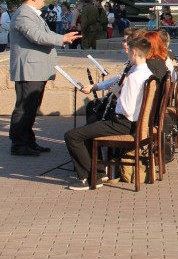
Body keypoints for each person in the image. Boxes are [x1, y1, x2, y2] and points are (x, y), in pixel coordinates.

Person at [64, 36, 153, 190]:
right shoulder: (148, 73)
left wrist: (117, 93)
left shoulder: (133, 77)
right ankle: (97, 174)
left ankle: (87, 178)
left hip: (124, 124)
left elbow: (127, 110)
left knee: (72, 135)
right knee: (89, 129)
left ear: (133, 52)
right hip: (135, 123)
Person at [9, 0, 81, 156]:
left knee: (32, 107)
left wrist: (60, 37)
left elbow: (41, 34)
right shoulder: (24, 14)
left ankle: (28, 140)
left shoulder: (30, 13)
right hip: (29, 69)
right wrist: (61, 38)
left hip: (36, 68)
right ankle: (19, 144)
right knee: (25, 107)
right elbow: (36, 36)